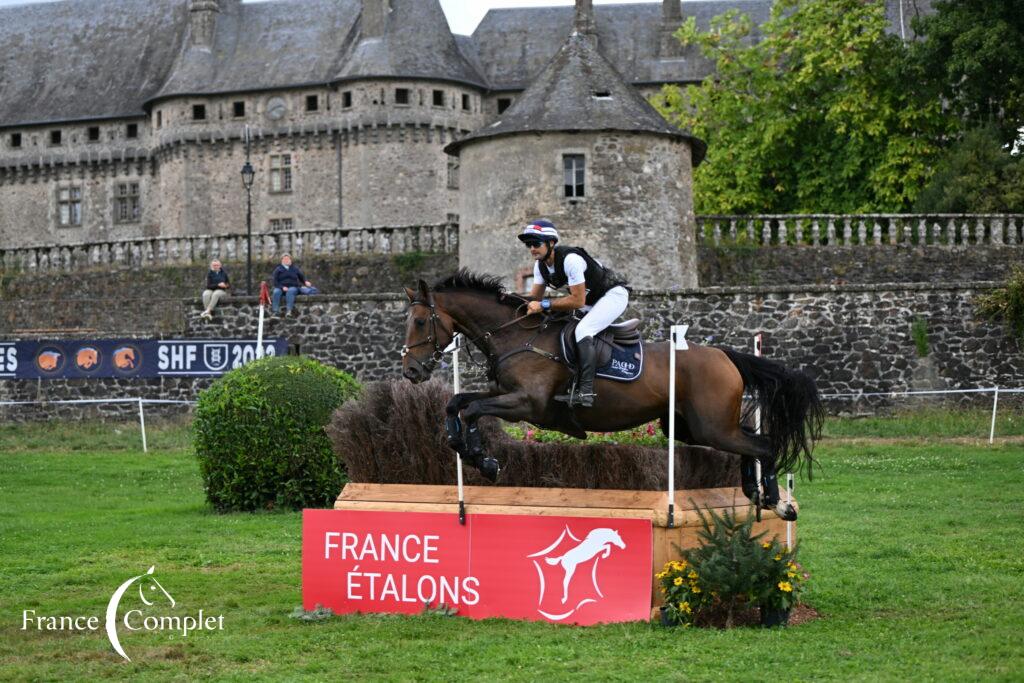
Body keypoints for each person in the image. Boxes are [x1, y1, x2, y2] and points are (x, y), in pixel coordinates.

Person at [520, 219, 629, 408]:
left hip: (612, 295)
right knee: (560, 328)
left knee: (582, 331)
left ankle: (586, 392)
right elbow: (533, 298)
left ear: (551, 243)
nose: (532, 248)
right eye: (528, 244)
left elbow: (577, 301)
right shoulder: (541, 266)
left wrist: (545, 304)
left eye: (536, 243)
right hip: (590, 301)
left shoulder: (571, 260)